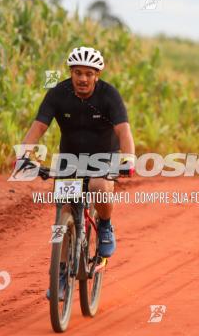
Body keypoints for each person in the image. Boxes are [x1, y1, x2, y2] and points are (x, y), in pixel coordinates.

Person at [14, 46, 135, 264]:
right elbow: (39, 127)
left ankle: (105, 225)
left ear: (97, 75)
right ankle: (60, 273)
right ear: (71, 72)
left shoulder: (109, 95)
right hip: (70, 157)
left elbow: (123, 130)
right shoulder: (58, 93)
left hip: (104, 156)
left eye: (89, 73)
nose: (83, 78)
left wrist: (129, 159)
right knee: (65, 210)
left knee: (98, 187)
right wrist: (23, 155)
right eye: (78, 72)